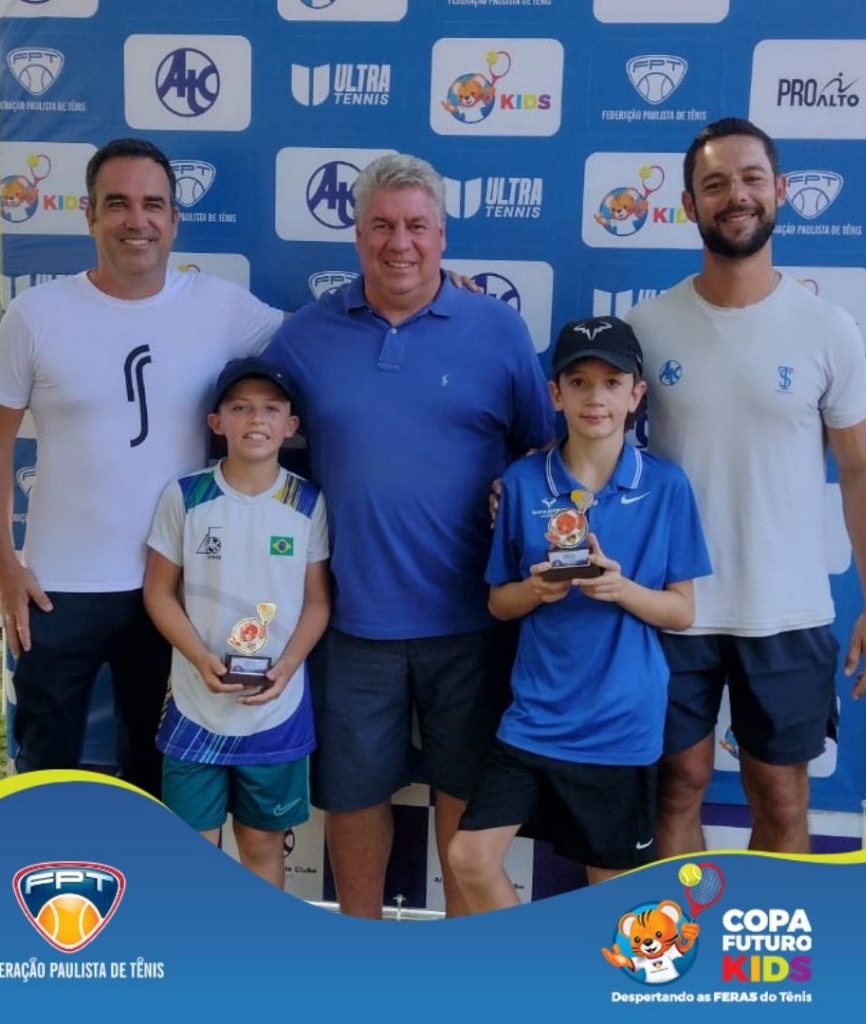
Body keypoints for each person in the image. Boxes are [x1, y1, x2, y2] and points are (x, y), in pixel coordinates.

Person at [263, 153, 555, 917]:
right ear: (357, 234)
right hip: (350, 619)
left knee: (465, 798)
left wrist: (521, 492)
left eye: (417, 226)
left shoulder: (498, 329)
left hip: (474, 619)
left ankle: (456, 967)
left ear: (443, 235)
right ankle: (363, 956)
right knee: (354, 797)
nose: (400, 243)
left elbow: (544, 453)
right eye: (382, 225)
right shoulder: (303, 337)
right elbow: (252, 444)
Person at [0, 138, 285, 796]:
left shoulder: (220, 307)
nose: (136, 220)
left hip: (171, 589)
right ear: (88, 213)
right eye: (117, 204)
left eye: (152, 204)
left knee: (155, 774)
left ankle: (142, 867)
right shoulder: (36, 315)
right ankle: (44, 866)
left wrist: (428, 291)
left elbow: (328, 337)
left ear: (174, 219)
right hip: (55, 588)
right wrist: (5, 567)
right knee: (44, 773)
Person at [623, 117, 866, 855]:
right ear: (690, 204)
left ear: (779, 190)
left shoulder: (826, 327)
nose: (735, 195)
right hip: (675, 604)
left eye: (751, 179)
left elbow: (864, 469)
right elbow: (594, 447)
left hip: (786, 609)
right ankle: (679, 932)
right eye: (715, 184)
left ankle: (767, 935)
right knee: (676, 784)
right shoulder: (646, 326)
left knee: (780, 796)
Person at [448, 317, 710, 911]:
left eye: (612, 383)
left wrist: (621, 590)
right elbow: (498, 601)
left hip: (620, 725)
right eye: (579, 382)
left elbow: (681, 612)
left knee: (613, 894)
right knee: (470, 857)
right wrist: (535, 591)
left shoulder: (667, 486)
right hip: (534, 716)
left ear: (636, 395)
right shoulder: (522, 481)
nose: (596, 398)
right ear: (555, 394)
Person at [142, 357, 330, 886]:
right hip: (194, 708)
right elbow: (157, 590)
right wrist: (199, 658)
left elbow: (318, 601)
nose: (256, 419)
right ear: (216, 422)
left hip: (275, 712)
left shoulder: (306, 502)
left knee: (263, 845)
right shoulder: (186, 495)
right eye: (241, 407)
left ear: (291, 426)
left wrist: (288, 666)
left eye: (271, 408)